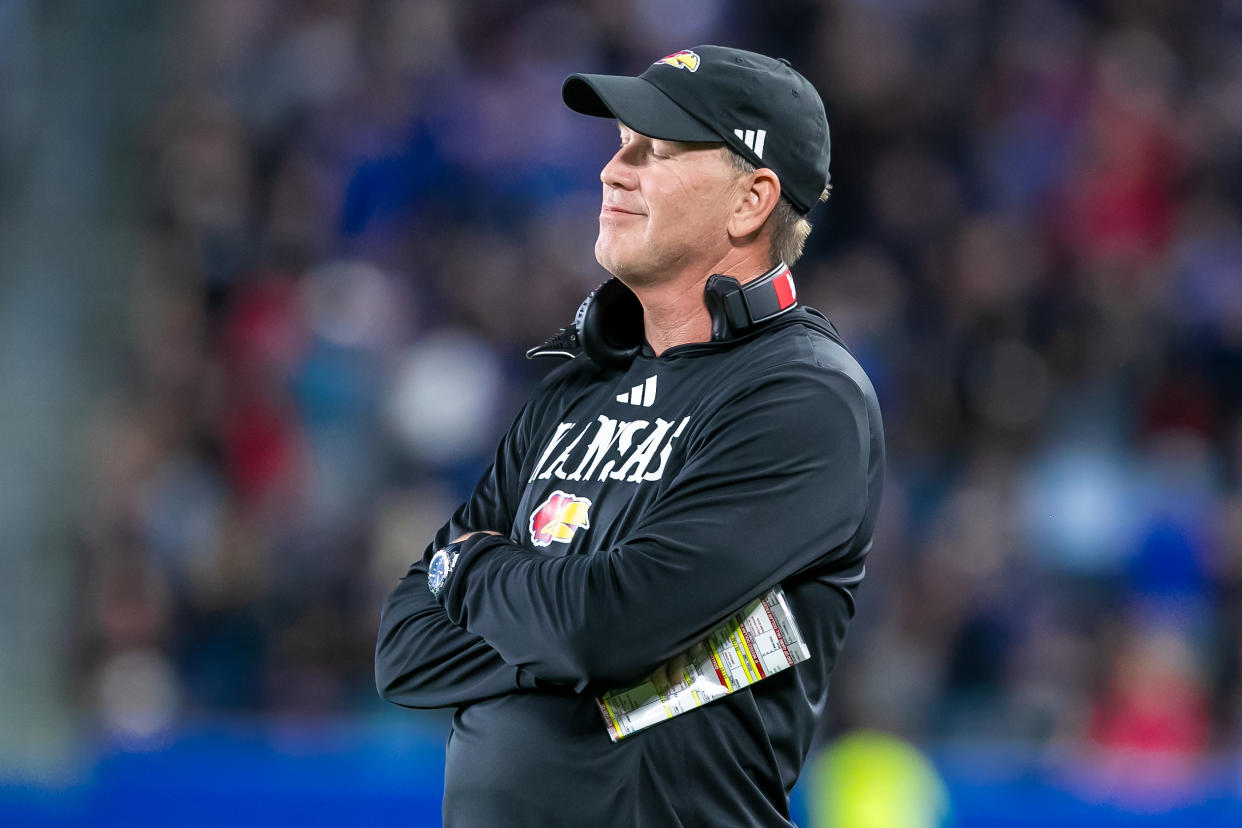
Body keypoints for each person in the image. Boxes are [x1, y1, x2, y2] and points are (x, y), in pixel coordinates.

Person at [375, 45, 885, 827]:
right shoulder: (574, 387)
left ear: (751, 201)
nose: (615, 171)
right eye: (620, 146)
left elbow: (605, 628)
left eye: (658, 150)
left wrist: (468, 566)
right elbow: (406, 648)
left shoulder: (803, 396)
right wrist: (574, 636)